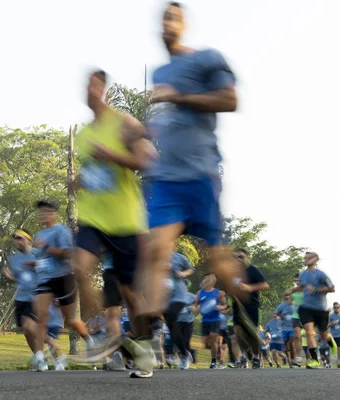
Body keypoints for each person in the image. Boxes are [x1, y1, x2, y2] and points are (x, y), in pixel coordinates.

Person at [138, 3, 249, 375]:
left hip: (201, 174)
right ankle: (149, 342)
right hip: (168, 178)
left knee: (218, 264)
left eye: (172, 17)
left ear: (184, 25)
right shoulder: (161, 70)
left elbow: (229, 100)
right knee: (155, 249)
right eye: (161, 19)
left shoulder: (207, 58)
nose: (165, 24)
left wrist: (178, 97)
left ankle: (244, 312)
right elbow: (173, 120)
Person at [71, 68, 157, 378]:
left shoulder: (124, 123)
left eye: (95, 85)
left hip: (125, 221)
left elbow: (147, 160)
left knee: (131, 294)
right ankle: (103, 339)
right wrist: (80, 181)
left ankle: (145, 350)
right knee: (79, 266)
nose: (89, 90)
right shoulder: (83, 135)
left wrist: (111, 154)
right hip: (94, 219)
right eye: (86, 85)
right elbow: (93, 172)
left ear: (104, 90)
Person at [29, 200, 92, 372]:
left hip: (63, 277)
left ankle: (91, 342)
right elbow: (42, 259)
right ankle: (40, 356)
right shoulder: (38, 235)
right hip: (45, 279)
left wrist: (47, 247)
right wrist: (34, 264)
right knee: (40, 317)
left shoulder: (61, 230)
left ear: (53, 213)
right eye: (40, 212)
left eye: (46, 212)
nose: (42, 215)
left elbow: (67, 254)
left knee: (71, 320)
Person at [292, 252, 336, 369]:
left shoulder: (321, 274)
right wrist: (294, 290)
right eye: (305, 258)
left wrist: (316, 289)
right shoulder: (302, 274)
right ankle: (315, 360)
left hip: (321, 309)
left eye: (308, 258)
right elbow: (303, 287)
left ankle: (331, 342)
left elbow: (332, 288)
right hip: (306, 308)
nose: (306, 260)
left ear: (316, 259)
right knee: (309, 332)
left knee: (323, 335)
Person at [232, 249, 269, 369]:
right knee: (238, 332)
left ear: (246, 257)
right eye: (235, 257)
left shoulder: (253, 270)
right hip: (237, 306)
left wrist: (249, 288)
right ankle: (243, 356)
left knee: (252, 334)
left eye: (240, 257)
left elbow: (265, 285)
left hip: (252, 306)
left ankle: (256, 357)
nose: (238, 260)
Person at [3, 229, 38, 356]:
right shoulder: (13, 258)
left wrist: (36, 265)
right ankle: (39, 357)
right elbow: (19, 278)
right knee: (26, 330)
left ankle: (54, 354)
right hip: (21, 298)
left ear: (29, 240)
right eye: (15, 238)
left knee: (29, 327)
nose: (17, 241)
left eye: (20, 238)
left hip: (37, 297)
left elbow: (50, 270)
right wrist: (10, 277)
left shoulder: (38, 254)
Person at [163, 252, 195, 370]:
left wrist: (183, 273)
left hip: (179, 296)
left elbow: (191, 269)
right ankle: (184, 353)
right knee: (171, 326)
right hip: (163, 297)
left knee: (171, 317)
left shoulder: (178, 257)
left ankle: (183, 354)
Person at [192, 273, 227, 368]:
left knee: (213, 337)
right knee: (206, 344)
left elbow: (225, 305)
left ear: (213, 282)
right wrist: (196, 309)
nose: (207, 281)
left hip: (216, 319)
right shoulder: (200, 293)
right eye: (205, 279)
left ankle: (213, 362)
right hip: (205, 320)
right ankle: (218, 349)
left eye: (209, 279)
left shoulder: (218, 293)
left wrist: (220, 307)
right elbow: (196, 306)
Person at [177, 283, 196, 366]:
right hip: (178, 321)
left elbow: (198, 305)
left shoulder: (192, 296)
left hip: (188, 321)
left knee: (186, 340)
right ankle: (186, 356)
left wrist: (194, 308)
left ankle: (185, 360)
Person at [45, 301, 67, 371]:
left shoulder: (56, 293)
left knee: (48, 338)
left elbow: (64, 304)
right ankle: (59, 363)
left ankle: (61, 357)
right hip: (47, 321)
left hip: (54, 322)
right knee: (49, 343)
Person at [275, 294, 296, 366]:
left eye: (289, 295)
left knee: (291, 343)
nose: (287, 297)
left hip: (293, 328)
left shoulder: (295, 305)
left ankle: (293, 360)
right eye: (285, 296)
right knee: (287, 347)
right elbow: (275, 315)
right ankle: (290, 363)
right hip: (284, 329)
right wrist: (281, 316)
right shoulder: (281, 305)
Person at [288, 274, 304, 365]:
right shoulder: (293, 291)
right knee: (297, 336)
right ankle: (298, 357)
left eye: (298, 280)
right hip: (296, 315)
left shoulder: (305, 290)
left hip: (306, 316)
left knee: (309, 336)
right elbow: (290, 301)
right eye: (295, 281)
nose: (297, 282)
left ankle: (312, 354)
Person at [329, 302, 340, 367]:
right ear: (333, 308)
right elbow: (327, 325)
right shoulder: (331, 316)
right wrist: (333, 323)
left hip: (339, 335)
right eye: (334, 307)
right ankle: (330, 362)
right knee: (332, 349)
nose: (336, 309)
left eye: (337, 307)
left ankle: (339, 361)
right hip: (332, 335)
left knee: (339, 347)